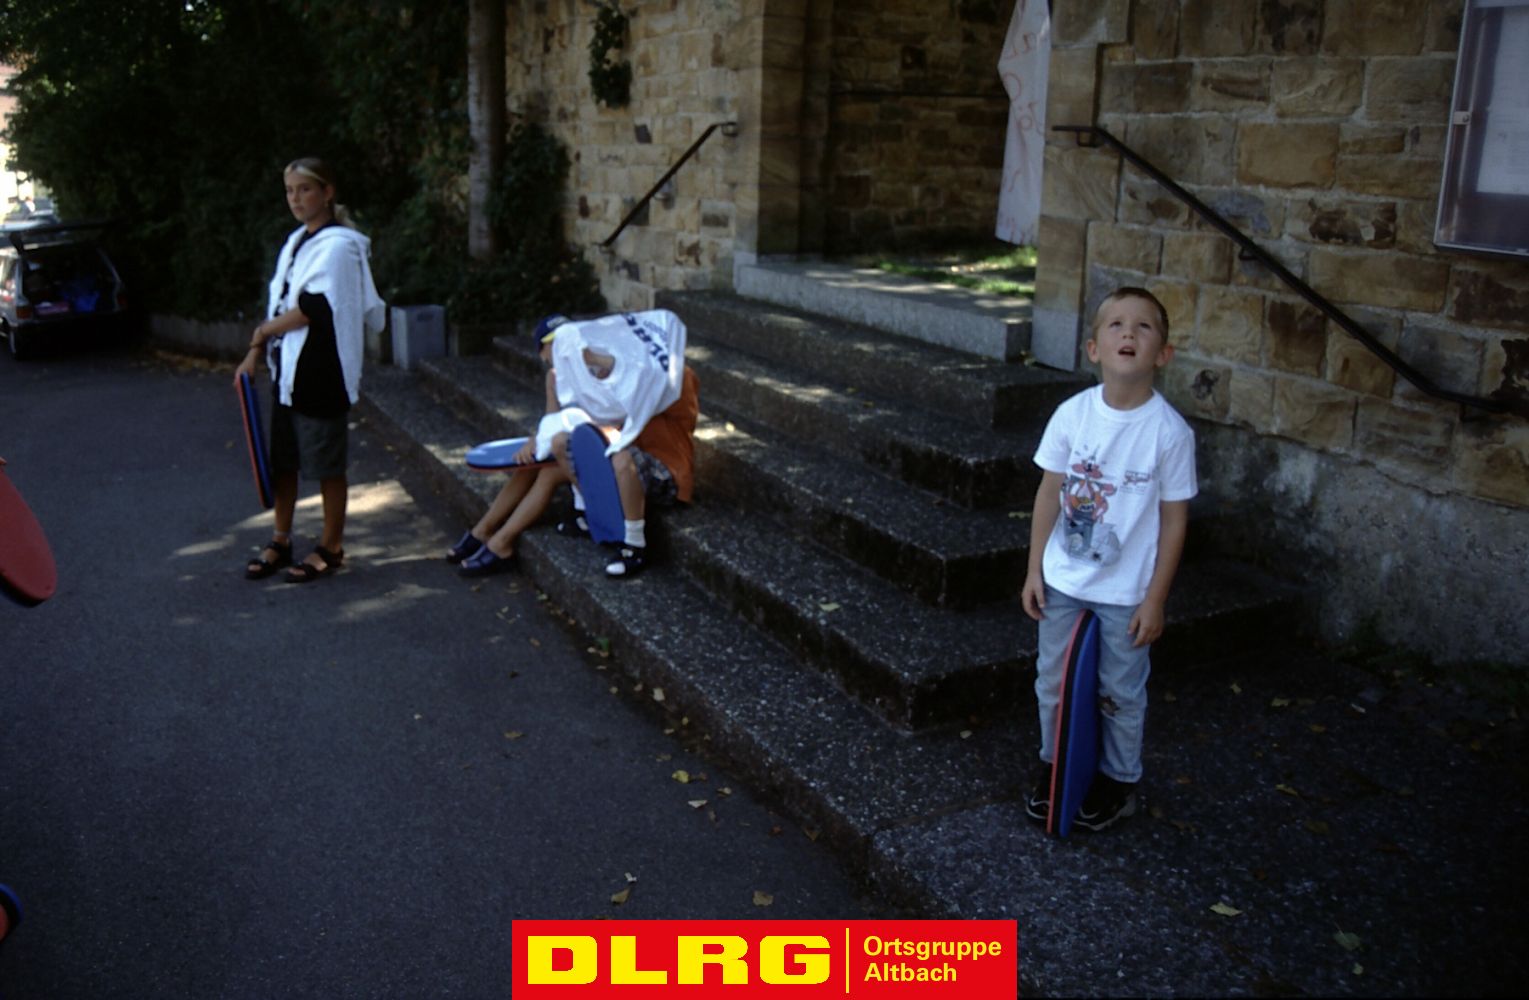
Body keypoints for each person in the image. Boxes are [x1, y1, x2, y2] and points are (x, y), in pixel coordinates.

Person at [1019, 286, 1197, 832]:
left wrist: (1155, 598)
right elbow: (1049, 494)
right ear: (1094, 348)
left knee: (1119, 692)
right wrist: (1034, 569)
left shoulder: (1169, 433)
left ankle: (1119, 781)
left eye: (1144, 326)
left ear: (1163, 354)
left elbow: (1174, 520)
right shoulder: (1073, 416)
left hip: (1126, 592)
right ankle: (1055, 765)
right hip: (1064, 580)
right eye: (1116, 324)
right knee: (1052, 682)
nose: (1129, 333)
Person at [235, 158, 385, 584]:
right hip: (289, 371)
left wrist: (261, 333)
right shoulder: (297, 241)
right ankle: (281, 539)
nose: (296, 199)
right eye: (290, 190)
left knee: (326, 463)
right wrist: (260, 349)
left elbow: (314, 307)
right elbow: (285, 299)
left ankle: (331, 547)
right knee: (284, 461)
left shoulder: (338, 246)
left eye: (305, 189)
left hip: (322, 369)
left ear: (327, 192)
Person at [534, 310, 698, 579]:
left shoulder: (676, 377)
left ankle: (634, 544)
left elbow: (647, 398)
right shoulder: (608, 378)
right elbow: (594, 418)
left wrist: (600, 363)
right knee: (562, 442)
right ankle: (588, 512)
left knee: (623, 458)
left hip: (667, 470)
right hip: (627, 459)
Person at [447, 314, 574, 576]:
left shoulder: (593, 371)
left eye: (569, 338)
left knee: (548, 473)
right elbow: (552, 419)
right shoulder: (553, 377)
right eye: (555, 342)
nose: (564, 346)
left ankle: (502, 542)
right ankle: (483, 530)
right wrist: (536, 440)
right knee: (526, 464)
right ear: (542, 353)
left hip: (592, 449)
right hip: (566, 445)